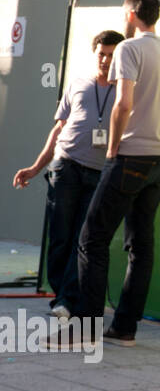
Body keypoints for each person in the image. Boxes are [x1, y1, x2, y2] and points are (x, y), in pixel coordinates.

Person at [67, 0, 160, 347]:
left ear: (131, 14)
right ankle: (125, 328)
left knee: (91, 238)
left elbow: (123, 103)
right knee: (140, 244)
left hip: (131, 155)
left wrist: (113, 150)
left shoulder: (129, 50)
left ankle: (84, 331)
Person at [12, 30, 123, 314]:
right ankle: (61, 296)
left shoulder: (125, 89)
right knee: (61, 235)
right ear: (94, 54)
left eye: (112, 55)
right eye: (102, 54)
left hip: (100, 173)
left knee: (82, 238)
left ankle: (67, 300)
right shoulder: (77, 83)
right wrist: (36, 167)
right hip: (66, 167)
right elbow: (58, 128)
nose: (106, 60)